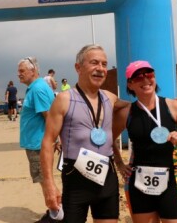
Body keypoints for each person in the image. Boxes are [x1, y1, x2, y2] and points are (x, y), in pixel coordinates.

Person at [41, 44, 130, 223]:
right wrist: (49, 186)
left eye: (104, 64)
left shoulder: (109, 97)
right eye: (94, 63)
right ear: (78, 67)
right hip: (76, 178)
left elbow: (134, 107)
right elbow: (47, 142)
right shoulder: (64, 99)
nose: (101, 69)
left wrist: (171, 103)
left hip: (107, 176)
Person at [112, 60, 177, 223]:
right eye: (137, 78)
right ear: (130, 85)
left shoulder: (174, 106)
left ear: (154, 77)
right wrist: (119, 163)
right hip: (139, 184)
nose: (145, 80)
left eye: (148, 74)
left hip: (172, 182)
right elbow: (109, 138)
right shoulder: (126, 113)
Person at [17, 56, 56, 223]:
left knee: (45, 180)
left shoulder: (37, 89)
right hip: (36, 142)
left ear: (32, 71)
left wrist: (54, 141)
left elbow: (49, 117)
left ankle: (55, 214)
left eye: (22, 71)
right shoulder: (35, 87)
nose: (19, 74)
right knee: (44, 179)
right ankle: (54, 211)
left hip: (38, 144)